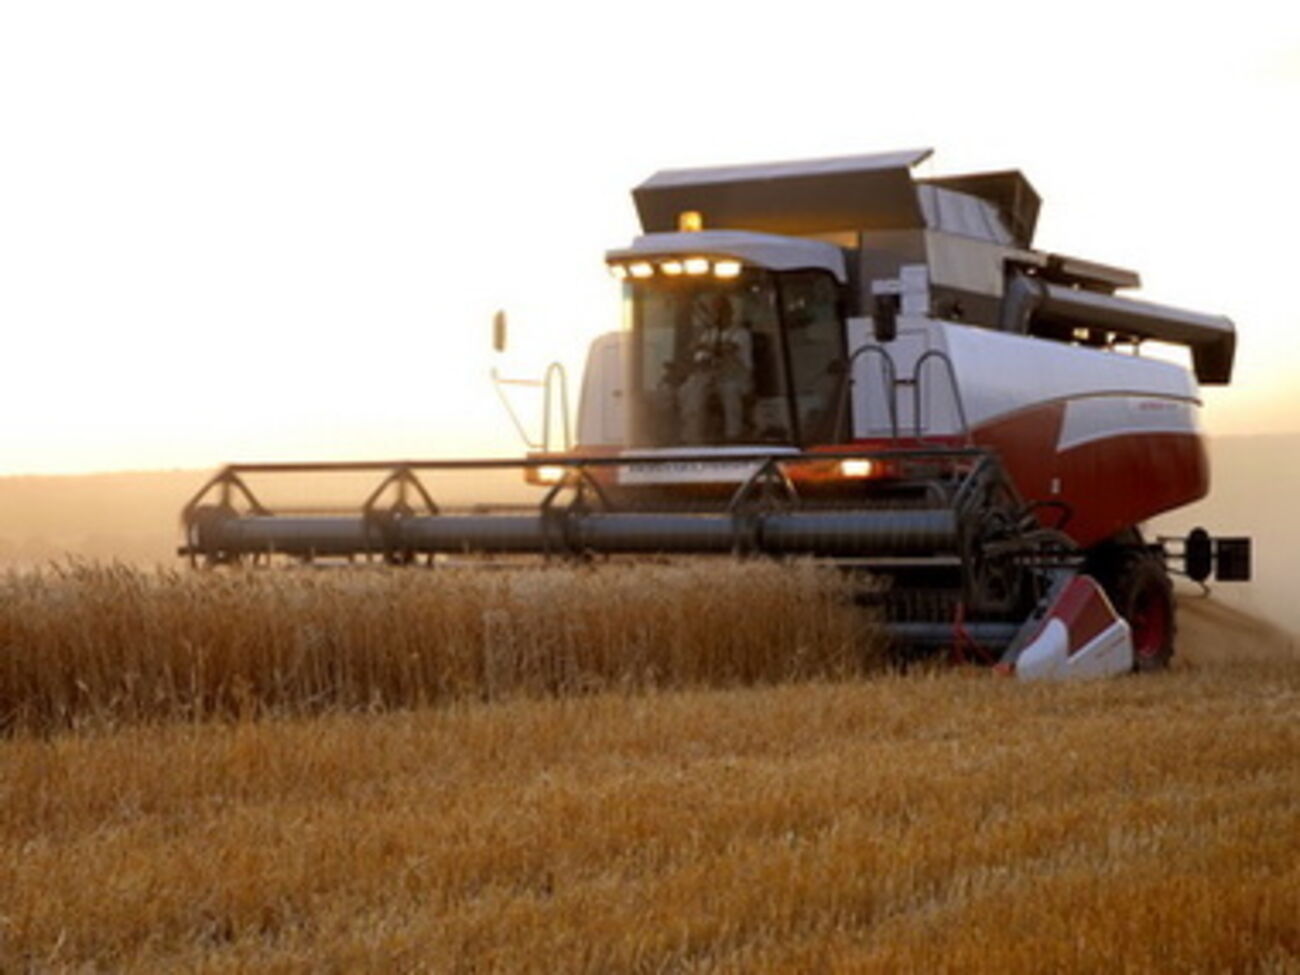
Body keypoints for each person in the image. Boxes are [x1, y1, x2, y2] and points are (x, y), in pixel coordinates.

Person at [678, 293, 753, 443]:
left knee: (730, 392)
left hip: (736, 378)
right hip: (711, 377)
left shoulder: (741, 333)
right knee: (688, 390)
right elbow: (699, 357)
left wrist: (704, 346)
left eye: (722, 310)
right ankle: (692, 437)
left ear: (730, 312)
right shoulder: (708, 334)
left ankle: (733, 436)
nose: (718, 315)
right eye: (715, 311)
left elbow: (729, 348)